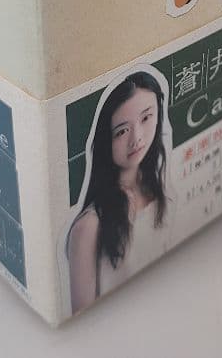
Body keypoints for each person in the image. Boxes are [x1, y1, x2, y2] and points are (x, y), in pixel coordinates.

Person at [68, 71, 170, 313]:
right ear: (106, 140)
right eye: (122, 131)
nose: (137, 138)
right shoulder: (90, 226)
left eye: (146, 118)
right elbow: (84, 317)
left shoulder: (162, 188)